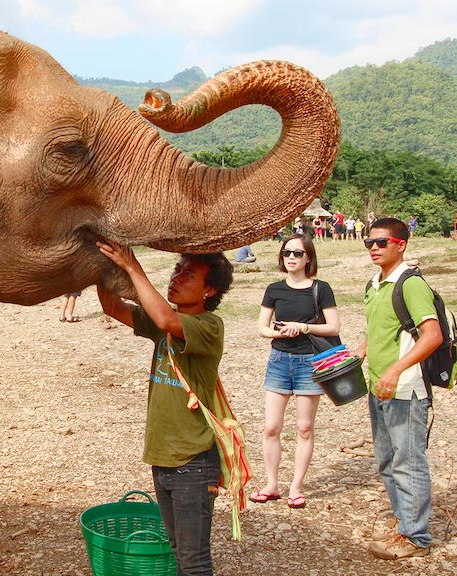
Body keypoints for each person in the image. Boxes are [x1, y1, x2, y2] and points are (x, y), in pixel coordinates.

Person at [96, 241, 234, 576]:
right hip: (163, 458)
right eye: (177, 269)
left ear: (209, 291)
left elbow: (166, 319)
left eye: (189, 274)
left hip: (193, 462)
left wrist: (132, 267)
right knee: (178, 551)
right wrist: (100, 264)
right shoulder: (164, 323)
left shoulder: (209, 326)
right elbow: (111, 306)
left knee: (194, 560)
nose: (176, 278)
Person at [354, 217, 442, 560]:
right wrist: (363, 349)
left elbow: (432, 336)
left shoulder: (410, 284)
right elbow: (386, 328)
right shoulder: (374, 284)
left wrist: (395, 369)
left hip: (405, 388)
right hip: (379, 386)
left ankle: (416, 536)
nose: (374, 248)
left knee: (408, 462)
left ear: (401, 245)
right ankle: (403, 521)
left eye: (382, 242)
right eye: (369, 242)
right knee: (388, 460)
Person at [250, 234, 339, 510]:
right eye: (287, 252)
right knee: (271, 427)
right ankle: (271, 484)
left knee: (304, 427)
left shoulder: (321, 288)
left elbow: (333, 327)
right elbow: (262, 327)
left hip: (309, 361)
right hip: (279, 360)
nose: (291, 257)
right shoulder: (274, 289)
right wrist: (278, 332)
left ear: (308, 257)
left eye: (298, 253)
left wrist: (303, 328)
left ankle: (296, 488)